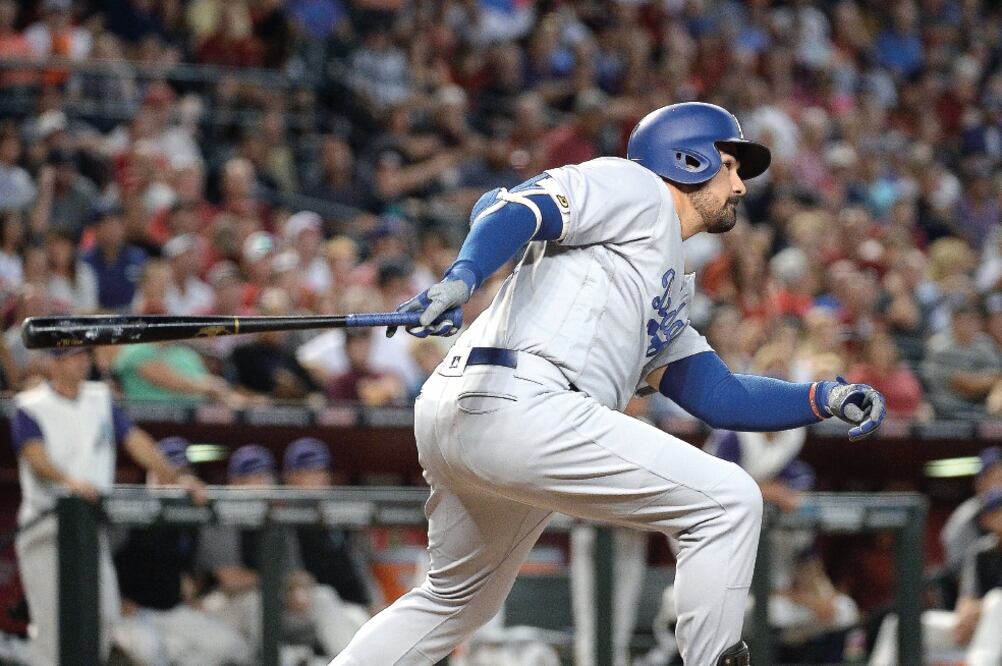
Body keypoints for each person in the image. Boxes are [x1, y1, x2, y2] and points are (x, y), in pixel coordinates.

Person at [332, 102, 886, 666]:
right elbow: (513, 206)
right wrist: (463, 276)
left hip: (472, 409)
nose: (740, 187)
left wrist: (821, 398)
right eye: (729, 166)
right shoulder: (637, 186)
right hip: (524, 402)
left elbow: (720, 396)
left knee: (455, 602)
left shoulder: (658, 278)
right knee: (728, 501)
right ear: (687, 159)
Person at [10, 347, 205, 666]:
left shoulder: (99, 398)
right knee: (50, 625)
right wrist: (68, 480)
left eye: (84, 354)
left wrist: (175, 477)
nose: (81, 361)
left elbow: (135, 440)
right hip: (45, 527)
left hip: (89, 528)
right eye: (72, 355)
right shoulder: (31, 405)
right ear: (55, 362)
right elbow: (34, 456)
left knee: (105, 616)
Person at [198, 444, 368, 661]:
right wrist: (282, 581)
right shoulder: (222, 516)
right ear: (235, 483)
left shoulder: (277, 516)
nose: (261, 484)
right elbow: (230, 580)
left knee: (323, 597)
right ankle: (276, 659)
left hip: (274, 599)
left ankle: (352, 662)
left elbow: (296, 573)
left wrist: (299, 588)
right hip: (225, 606)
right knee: (255, 600)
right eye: (253, 478)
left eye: (265, 477)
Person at [112, 436, 253, 666]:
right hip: (129, 614)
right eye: (165, 471)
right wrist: (114, 599)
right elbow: (96, 562)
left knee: (230, 645)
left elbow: (201, 569)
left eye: (179, 473)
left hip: (169, 611)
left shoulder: (190, 515)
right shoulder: (127, 508)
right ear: (151, 472)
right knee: (152, 654)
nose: (171, 479)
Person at [870, 489, 1002, 666]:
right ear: (986, 519)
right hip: (979, 626)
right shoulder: (981, 552)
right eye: (996, 512)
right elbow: (966, 601)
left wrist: (982, 608)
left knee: (997, 601)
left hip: (994, 621)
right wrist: (969, 615)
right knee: (898, 624)